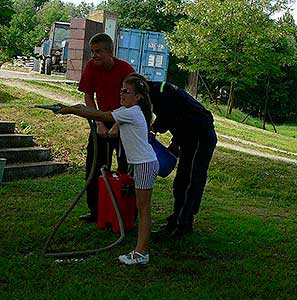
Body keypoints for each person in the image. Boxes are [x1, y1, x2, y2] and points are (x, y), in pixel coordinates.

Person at [57, 74, 159, 265]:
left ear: (138, 96)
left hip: (145, 164)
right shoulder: (127, 110)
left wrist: (71, 110)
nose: (121, 94)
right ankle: (140, 251)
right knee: (142, 207)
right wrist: (73, 108)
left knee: (144, 209)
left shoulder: (133, 112)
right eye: (121, 90)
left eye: (126, 91)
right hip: (141, 163)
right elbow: (106, 119)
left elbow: (100, 115)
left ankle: (141, 253)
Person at [142, 75, 217, 239]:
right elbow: (181, 115)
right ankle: (177, 219)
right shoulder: (156, 91)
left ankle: (183, 224)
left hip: (201, 137)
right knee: (182, 181)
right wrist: (176, 141)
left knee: (191, 181)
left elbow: (166, 118)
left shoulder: (161, 92)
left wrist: (152, 129)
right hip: (189, 137)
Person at [78, 33, 135, 222]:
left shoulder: (125, 70)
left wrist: (118, 124)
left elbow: (131, 102)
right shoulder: (91, 68)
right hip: (101, 118)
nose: (94, 56)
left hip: (124, 121)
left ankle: (124, 211)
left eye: (99, 52)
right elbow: (88, 96)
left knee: (125, 168)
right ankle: (96, 210)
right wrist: (99, 123)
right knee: (95, 165)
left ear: (110, 52)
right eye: (92, 52)